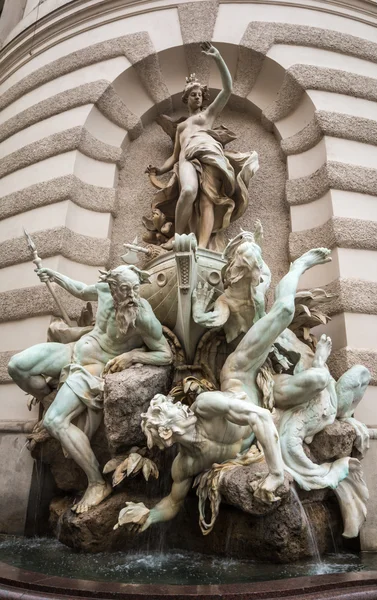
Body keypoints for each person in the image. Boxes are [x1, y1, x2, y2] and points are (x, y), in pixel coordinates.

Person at [114, 248, 332, 533]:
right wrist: (148, 516)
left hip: (241, 371)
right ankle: (318, 364)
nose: (176, 406)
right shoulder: (183, 465)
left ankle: (299, 264)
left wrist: (276, 473)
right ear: (167, 434)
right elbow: (173, 501)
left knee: (285, 311)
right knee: (318, 380)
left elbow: (261, 419)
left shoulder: (205, 406)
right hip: (269, 398)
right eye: (163, 419)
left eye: (168, 410)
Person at [8, 265, 172, 513]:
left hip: (95, 368)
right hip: (74, 351)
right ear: (113, 287)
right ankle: (51, 399)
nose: (132, 296)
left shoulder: (143, 316)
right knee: (16, 366)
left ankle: (96, 482)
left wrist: (133, 356)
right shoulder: (106, 290)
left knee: (54, 421)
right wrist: (54, 275)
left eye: (136, 289)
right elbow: (82, 290)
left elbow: (165, 354)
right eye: (126, 290)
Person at [146, 42, 258, 250]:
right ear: (186, 98)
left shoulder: (208, 115)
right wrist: (159, 170)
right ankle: (179, 237)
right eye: (193, 94)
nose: (197, 96)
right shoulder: (181, 128)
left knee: (208, 201)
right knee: (188, 191)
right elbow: (174, 156)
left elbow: (227, 89)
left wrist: (218, 58)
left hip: (210, 155)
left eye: (199, 94)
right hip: (187, 158)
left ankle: (203, 246)